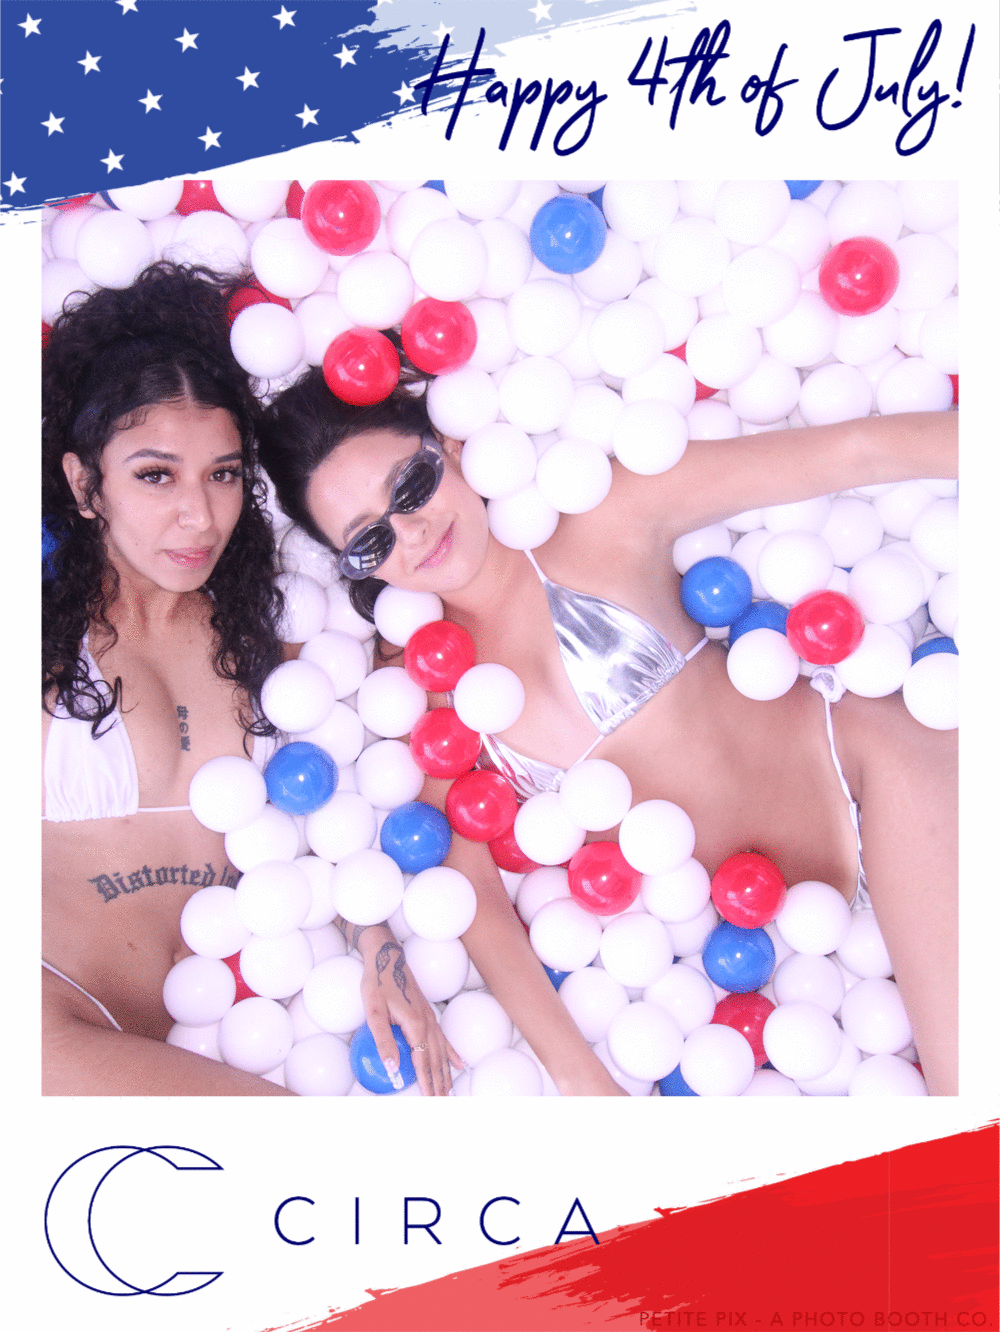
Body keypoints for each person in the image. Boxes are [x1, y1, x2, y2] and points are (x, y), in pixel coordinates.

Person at [258, 363, 958, 1097]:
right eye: (370, 541)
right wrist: (586, 1081)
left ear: (453, 447)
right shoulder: (428, 689)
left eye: (411, 486)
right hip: (751, 959)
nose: (412, 531)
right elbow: (472, 897)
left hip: (869, 779)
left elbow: (855, 453)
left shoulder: (599, 513)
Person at [42, 264, 456, 1096]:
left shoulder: (271, 643)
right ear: (86, 484)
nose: (199, 515)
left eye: (223, 474)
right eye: (155, 475)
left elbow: (322, 822)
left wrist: (378, 949)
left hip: (190, 1033)